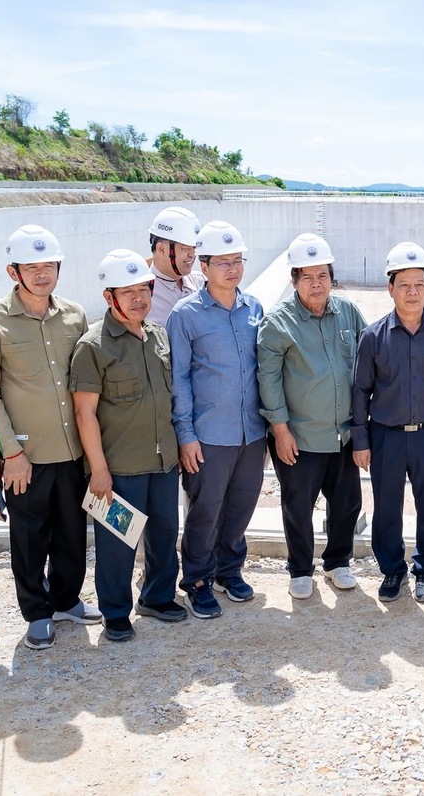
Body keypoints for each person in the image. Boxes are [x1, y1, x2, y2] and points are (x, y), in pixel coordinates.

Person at [0, 225, 100, 651]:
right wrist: (9, 452)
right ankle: (37, 612)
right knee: (29, 538)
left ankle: (66, 600)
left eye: (49, 266)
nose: (42, 274)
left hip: (72, 451)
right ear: (14, 271)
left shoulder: (74, 314)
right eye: (32, 267)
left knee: (72, 533)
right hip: (25, 455)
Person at [70, 250, 188, 642]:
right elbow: (85, 413)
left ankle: (157, 597)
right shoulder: (93, 346)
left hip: (163, 462)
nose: (139, 299)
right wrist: (99, 470)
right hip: (120, 469)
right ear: (109, 297)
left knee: (165, 533)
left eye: (144, 289)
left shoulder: (158, 336)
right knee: (118, 543)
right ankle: (116, 611)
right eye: (128, 292)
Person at [351, 242, 424, 604]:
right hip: (386, 437)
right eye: (404, 285)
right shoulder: (372, 337)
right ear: (390, 288)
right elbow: (360, 391)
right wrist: (360, 441)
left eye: (419, 285)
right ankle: (392, 570)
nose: (412, 292)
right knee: (386, 508)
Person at [257, 234, 367, 600]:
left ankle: (338, 562)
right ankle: (301, 569)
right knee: (298, 507)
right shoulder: (278, 323)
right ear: (294, 281)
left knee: (347, 503)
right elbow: (269, 379)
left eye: (322, 275)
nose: (316, 283)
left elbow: (367, 362)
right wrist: (280, 431)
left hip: (343, 434)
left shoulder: (348, 312)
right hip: (299, 437)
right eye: (307, 276)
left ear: (332, 277)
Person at [167, 221, 266, 619]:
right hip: (208, 434)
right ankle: (196, 580)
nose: (232, 269)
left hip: (251, 432)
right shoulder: (185, 315)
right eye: (222, 262)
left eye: (237, 260)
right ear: (203, 267)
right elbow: (179, 378)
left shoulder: (254, 308)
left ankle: (229, 571)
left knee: (242, 504)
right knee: (205, 509)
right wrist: (186, 435)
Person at [146, 206, 205, 324]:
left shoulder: (202, 283)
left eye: (194, 248)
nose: (192, 255)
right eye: (185, 248)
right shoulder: (142, 293)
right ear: (161, 249)